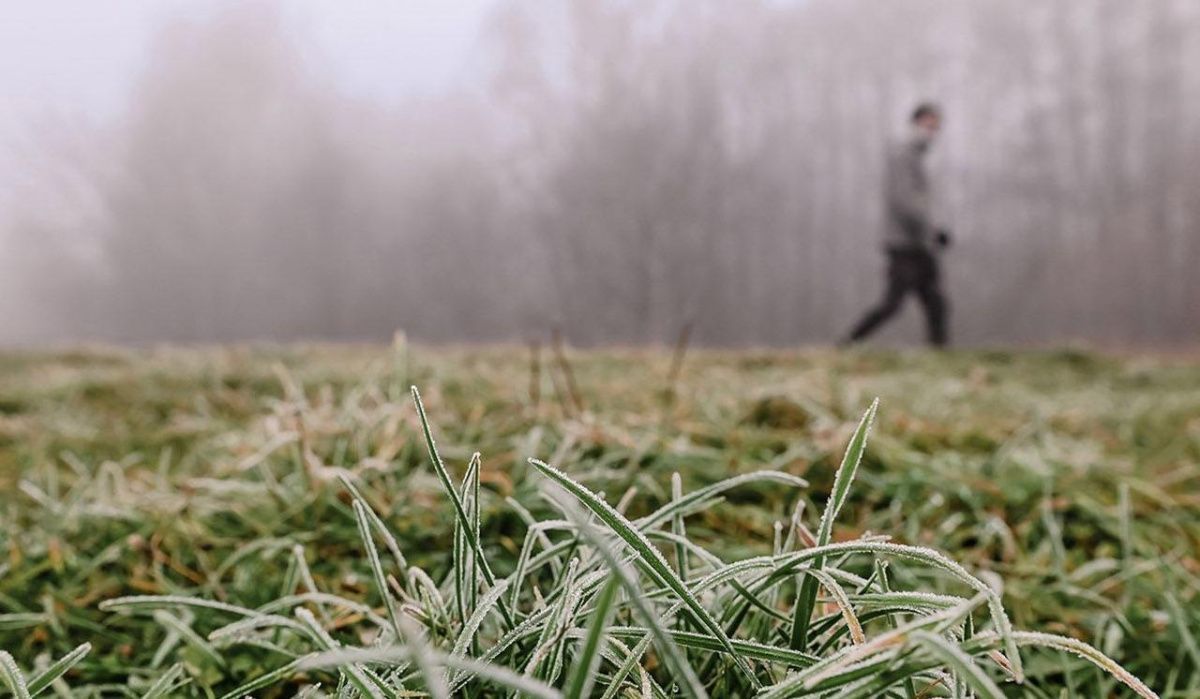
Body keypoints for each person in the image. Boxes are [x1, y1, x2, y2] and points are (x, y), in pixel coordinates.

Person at [843, 103, 952, 347]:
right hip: (904, 243)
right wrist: (932, 230)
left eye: (936, 128)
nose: (932, 132)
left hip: (918, 243)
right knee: (892, 304)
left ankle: (940, 353)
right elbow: (905, 201)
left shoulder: (916, 156)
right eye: (929, 125)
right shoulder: (904, 155)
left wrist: (930, 232)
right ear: (915, 123)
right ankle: (847, 344)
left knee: (936, 303)